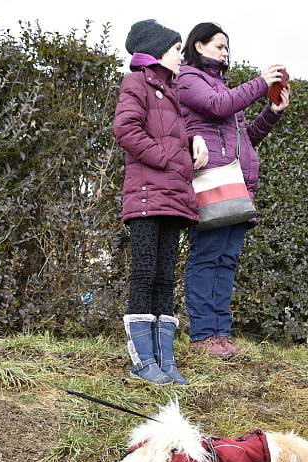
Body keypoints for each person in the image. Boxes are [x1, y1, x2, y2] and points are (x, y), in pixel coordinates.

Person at [176, 22, 289, 358]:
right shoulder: (188, 78)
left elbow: (245, 140)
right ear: (199, 46)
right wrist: (260, 83)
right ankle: (202, 335)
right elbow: (217, 106)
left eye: (227, 48)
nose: (225, 52)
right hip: (211, 181)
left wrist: (272, 113)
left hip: (237, 185)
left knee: (226, 261)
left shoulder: (224, 88)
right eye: (219, 46)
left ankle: (221, 334)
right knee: (206, 257)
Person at [113, 19, 209, 385]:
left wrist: (193, 141)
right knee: (145, 272)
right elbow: (126, 129)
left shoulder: (173, 93)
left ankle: (165, 361)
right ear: (155, 52)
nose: (181, 57)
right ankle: (142, 361)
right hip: (146, 197)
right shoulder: (136, 82)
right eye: (175, 50)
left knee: (167, 276)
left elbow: (177, 132)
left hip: (174, 197)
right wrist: (165, 157)